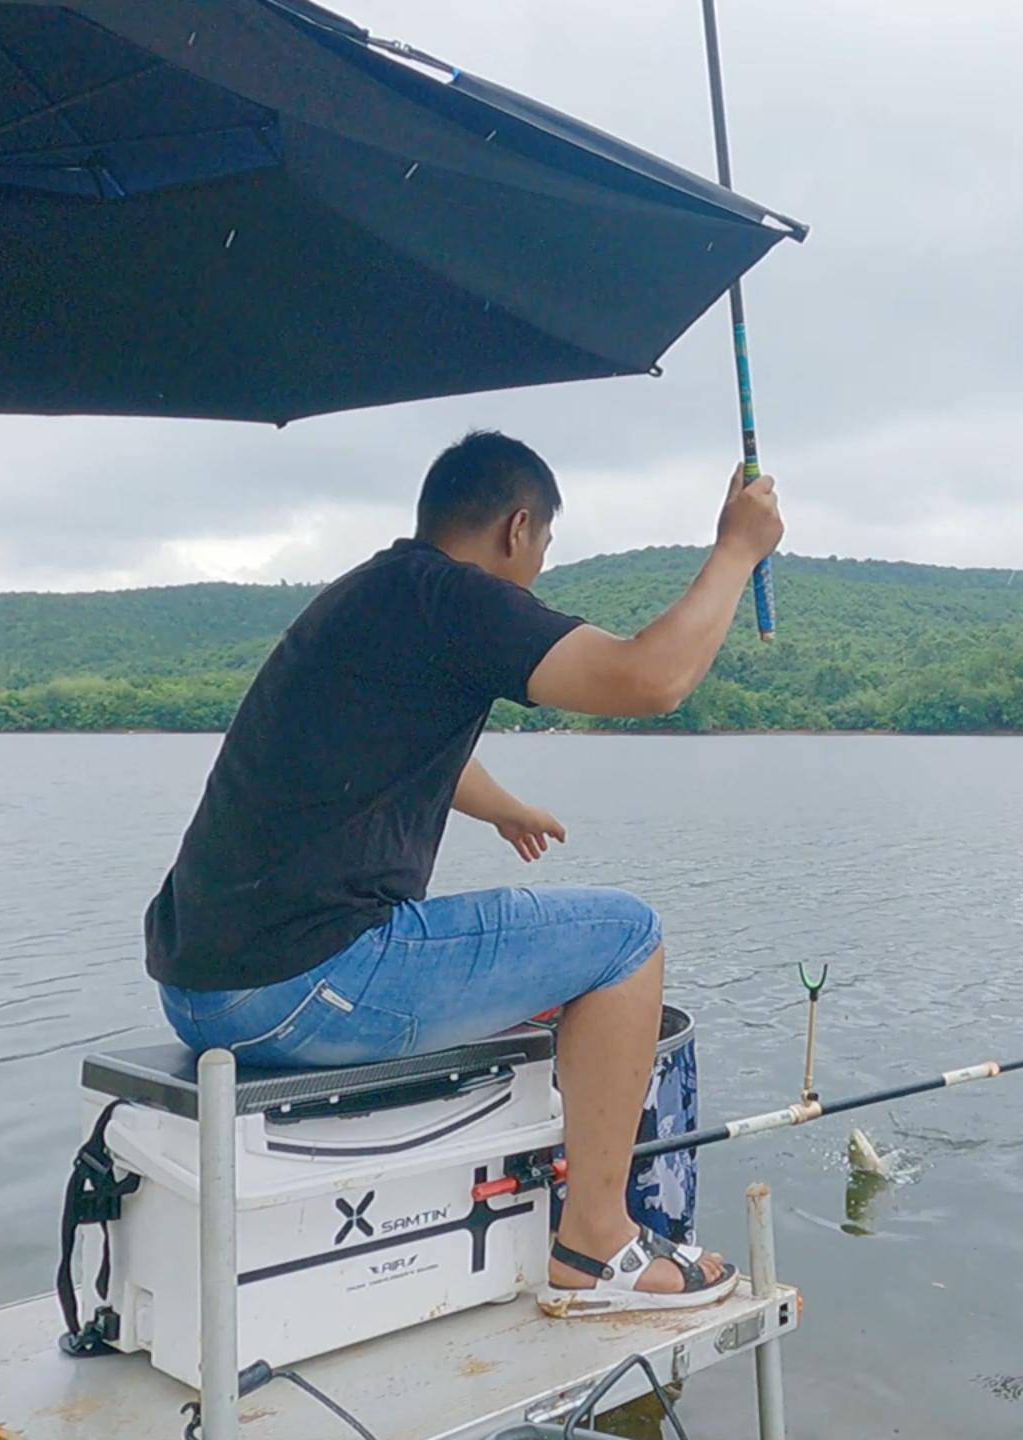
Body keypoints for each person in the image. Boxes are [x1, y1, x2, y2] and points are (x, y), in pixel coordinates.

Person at [143, 430, 782, 1315]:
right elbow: (652, 679)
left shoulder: (373, 599)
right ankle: (597, 1244)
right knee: (628, 938)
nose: (537, 572)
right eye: (544, 549)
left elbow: (391, 753)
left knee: (556, 950)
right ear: (518, 528)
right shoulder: (460, 601)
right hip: (305, 986)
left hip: (200, 992)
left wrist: (503, 806)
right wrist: (737, 550)